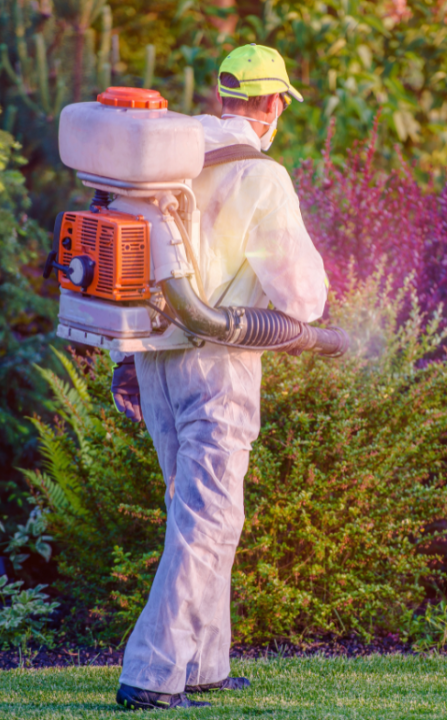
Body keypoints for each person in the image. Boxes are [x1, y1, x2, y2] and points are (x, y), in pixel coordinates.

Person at [113, 44, 328, 711]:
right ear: (271, 105)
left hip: (152, 356)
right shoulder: (260, 176)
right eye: (279, 106)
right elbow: (299, 296)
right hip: (218, 360)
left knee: (197, 512)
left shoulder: (167, 163)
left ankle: (205, 662)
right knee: (209, 519)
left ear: (222, 97)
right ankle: (151, 674)